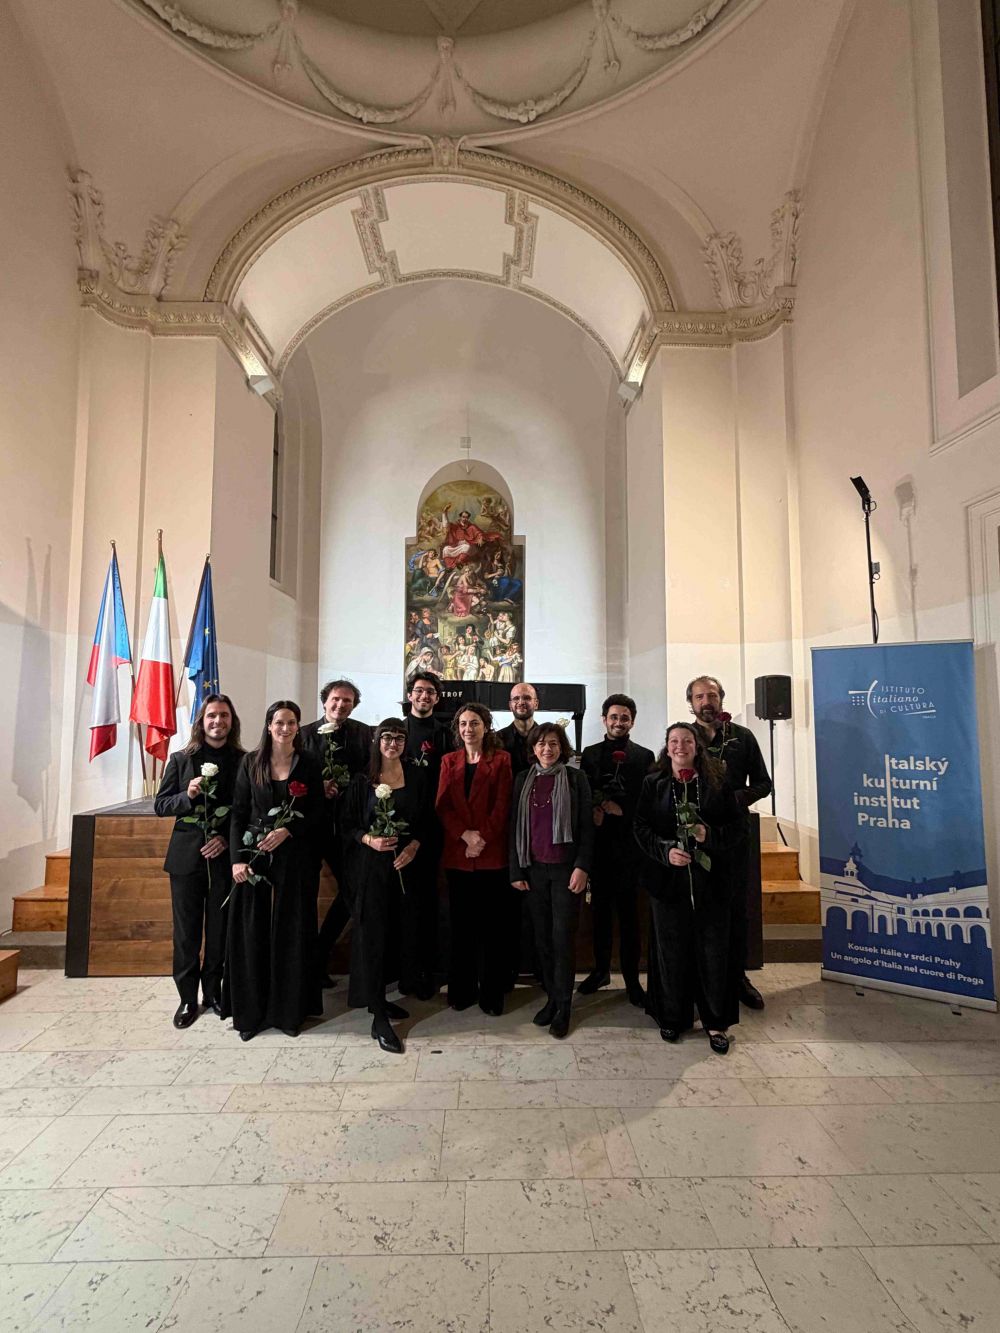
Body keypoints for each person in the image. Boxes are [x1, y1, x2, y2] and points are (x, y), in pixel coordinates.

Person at [634, 722, 743, 1054]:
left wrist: (709, 835)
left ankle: (716, 1021)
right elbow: (641, 827)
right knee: (671, 952)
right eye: (673, 741)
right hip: (668, 882)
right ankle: (672, 1015)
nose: (680, 746)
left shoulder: (718, 783)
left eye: (686, 741)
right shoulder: (653, 784)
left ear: (697, 747)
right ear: (666, 748)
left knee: (713, 952)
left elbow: (737, 827)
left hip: (712, 882)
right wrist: (666, 851)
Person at [225, 700, 324, 1040]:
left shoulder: (309, 763)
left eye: (291, 722)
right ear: (269, 726)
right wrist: (237, 859)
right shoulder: (250, 762)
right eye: (279, 722)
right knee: (252, 932)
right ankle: (251, 1014)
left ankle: (288, 1012)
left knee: (292, 932)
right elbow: (239, 813)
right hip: (254, 858)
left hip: (296, 858)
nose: (285, 728)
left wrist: (289, 830)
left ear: (298, 727)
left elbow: (318, 812)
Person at [154, 694, 244, 1029]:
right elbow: (161, 805)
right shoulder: (181, 760)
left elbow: (247, 809)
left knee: (219, 931)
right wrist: (187, 795)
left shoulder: (244, 760)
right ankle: (187, 998)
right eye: (212, 716)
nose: (218, 721)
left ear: (232, 721)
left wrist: (226, 839)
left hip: (223, 859)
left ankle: (213, 992)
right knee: (186, 934)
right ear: (202, 721)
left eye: (224, 715)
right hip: (186, 860)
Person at [340, 719, 429, 1054]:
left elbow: (427, 821)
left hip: (406, 868)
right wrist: (369, 840)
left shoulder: (417, 776)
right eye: (387, 738)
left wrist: (413, 846)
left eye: (399, 738)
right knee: (373, 939)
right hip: (371, 870)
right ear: (377, 741)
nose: (393, 743)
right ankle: (378, 1016)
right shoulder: (362, 780)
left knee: (400, 936)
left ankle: (382, 998)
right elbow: (346, 825)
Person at [688, 675, 773, 1010]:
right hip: (695, 835)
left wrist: (736, 799)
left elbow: (763, 784)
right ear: (690, 703)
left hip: (734, 835)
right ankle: (699, 979)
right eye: (699, 696)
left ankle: (737, 977)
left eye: (711, 695)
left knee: (736, 909)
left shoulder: (743, 737)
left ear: (721, 698)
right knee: (698, 908)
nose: (706, 702)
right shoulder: (683, 736)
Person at [510, 722, 594, 1039]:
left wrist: (582, 867)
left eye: (554, 744)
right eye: (542, 744)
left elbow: (587, 827)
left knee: (562, 940)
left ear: (562, 748)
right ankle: (552, 999)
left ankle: (564, 1008)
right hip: (533, 870)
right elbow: (513, 826)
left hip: (565, 871)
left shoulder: (575, 778)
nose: (547, 749)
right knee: (542, 940)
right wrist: (516, 871)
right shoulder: (523, 780)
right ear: (533, 748)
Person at [436, 702, 513, 1015]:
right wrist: (465, 836)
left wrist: (480, 839)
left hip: (491, 855)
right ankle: (462, 990)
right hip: (458, 855)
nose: (469, 729)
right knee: (462, 927)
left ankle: (492, 994)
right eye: (464, 724)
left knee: (493, 929)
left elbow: (503, 806)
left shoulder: (502, 759)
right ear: (458, 729)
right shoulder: (448, 761)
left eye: (475, 723)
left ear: (486, 726)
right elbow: (442, 806)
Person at [579, 694, 655, 1007]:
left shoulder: (645, 756)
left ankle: (632, 979)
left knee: (629, 918)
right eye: (613, 717)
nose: (619, 722)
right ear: (604, 719)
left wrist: (621, 809)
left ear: (632, 722)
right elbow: (584, 793)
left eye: (624, 718)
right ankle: (600, 971)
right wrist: (596, 808)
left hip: (630, 849)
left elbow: (648, 801)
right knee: (599, 915)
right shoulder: (590, 754)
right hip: (600, 848)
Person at [300, 679, 373, 985]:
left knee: (352, 890)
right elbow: (292, 776)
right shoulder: (304, 734)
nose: (340, 705)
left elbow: (370, 773)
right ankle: (304, 965)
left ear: (353, 706)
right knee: (304, 896)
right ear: (325, 701)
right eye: (335, 699)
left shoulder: (364, 734)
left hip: (348, 828)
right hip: (311, 827)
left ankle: (319, 955)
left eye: (347, 701)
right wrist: (318, 788)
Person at [401, 670, 453, 998]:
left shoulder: (445, 735)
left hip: (434, 827)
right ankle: (405, 969)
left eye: (430, 692)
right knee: (405, 901)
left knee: (431, 900)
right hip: (400, 827)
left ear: (437, 697)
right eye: (419, 691)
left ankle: (430, 970)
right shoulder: (396, 730)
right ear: (410, 695)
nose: (424, 696)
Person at [497, 682, 538, 777]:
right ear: (510, 705)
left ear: (536, 704)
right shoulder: (497, 739)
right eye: (516, 698)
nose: (521, 702)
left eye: (527, 698)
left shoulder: (545, 737)